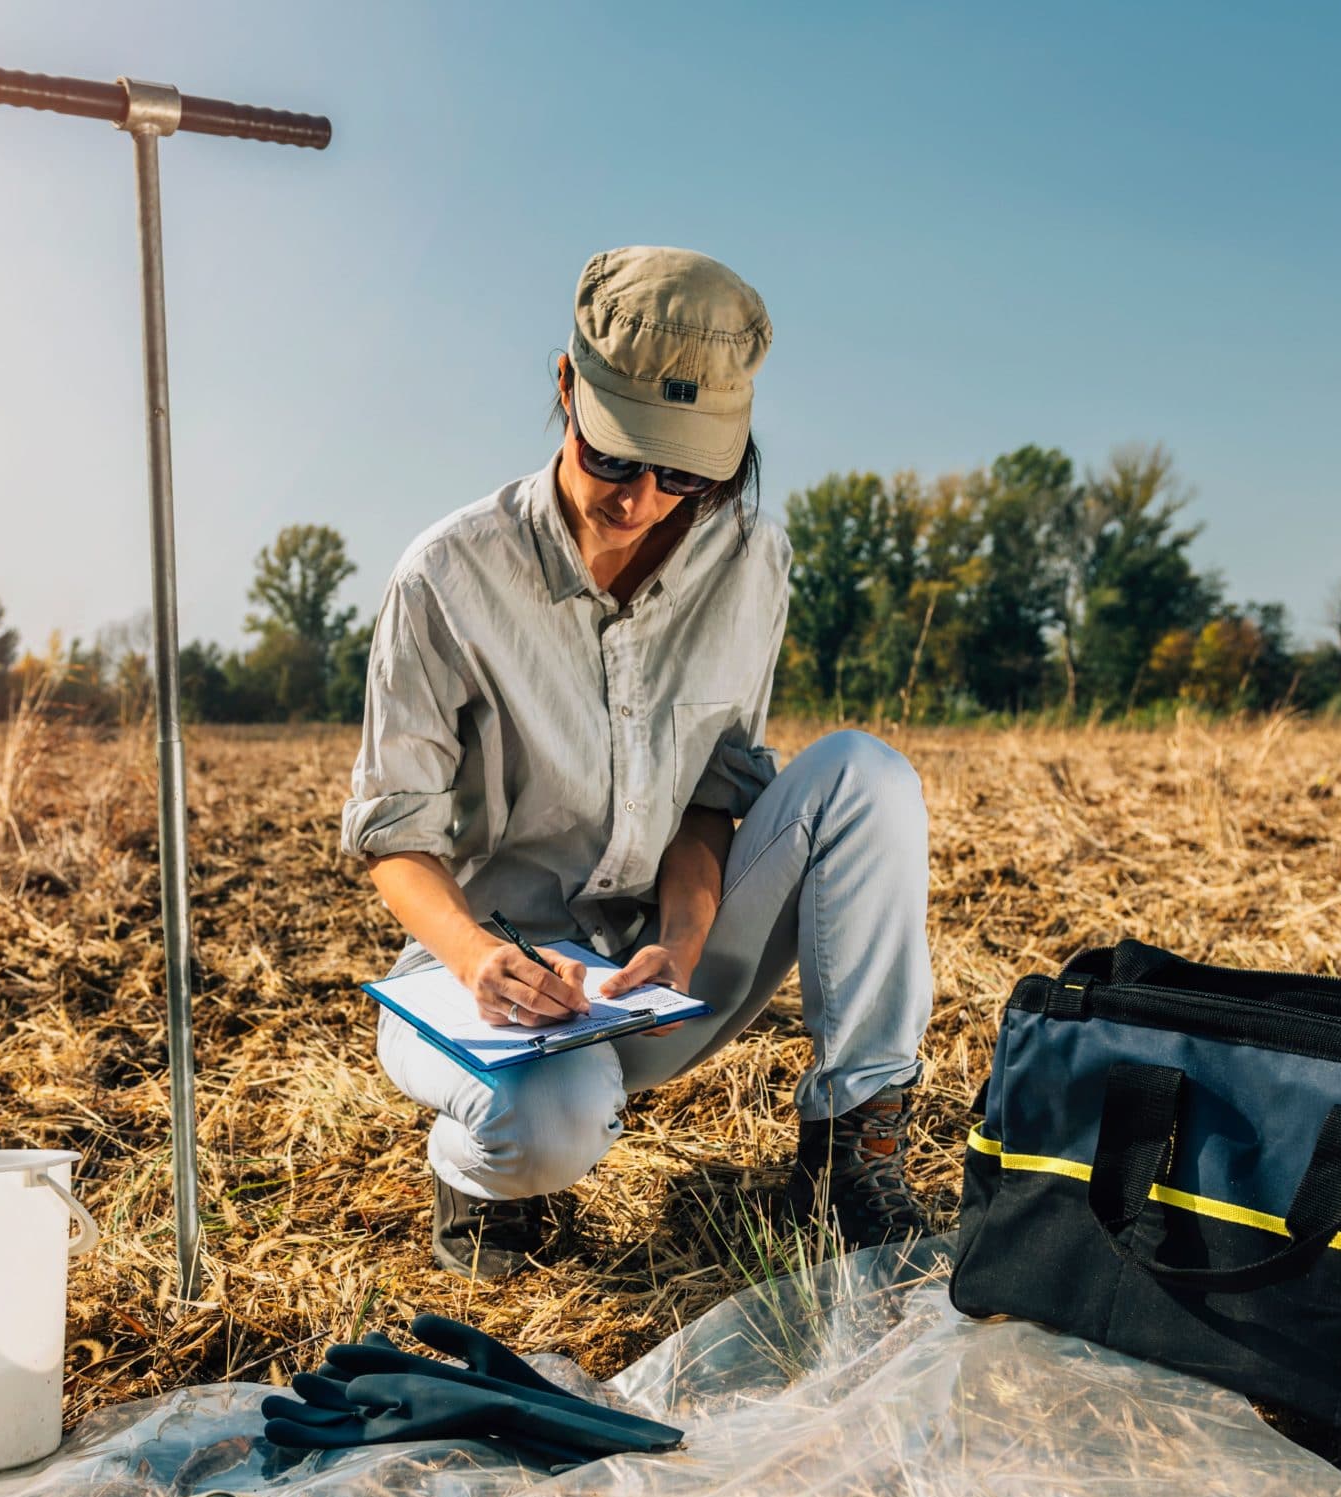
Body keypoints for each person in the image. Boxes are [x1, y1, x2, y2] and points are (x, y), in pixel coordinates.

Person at [343, 245, 936, 1275]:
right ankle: (481, 1168)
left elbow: (715, 796)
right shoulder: (445, 577)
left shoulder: (752, 559)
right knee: (549, 1133)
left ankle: (852, 1150)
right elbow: (396, 840)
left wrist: (683, 937)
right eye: (613, 457)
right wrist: (485, 962)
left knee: (865, 778)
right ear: (566, 387)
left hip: (659, 973)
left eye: (684, 474)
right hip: (491, 986)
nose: (639, 499)